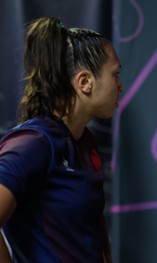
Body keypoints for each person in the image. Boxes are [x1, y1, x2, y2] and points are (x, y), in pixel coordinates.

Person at [0, 16, 123, 262]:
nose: (120, 86)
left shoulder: (85, 141)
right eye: (115, 75)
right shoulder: (33, 143)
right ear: (85, 82)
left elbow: (92, 228)